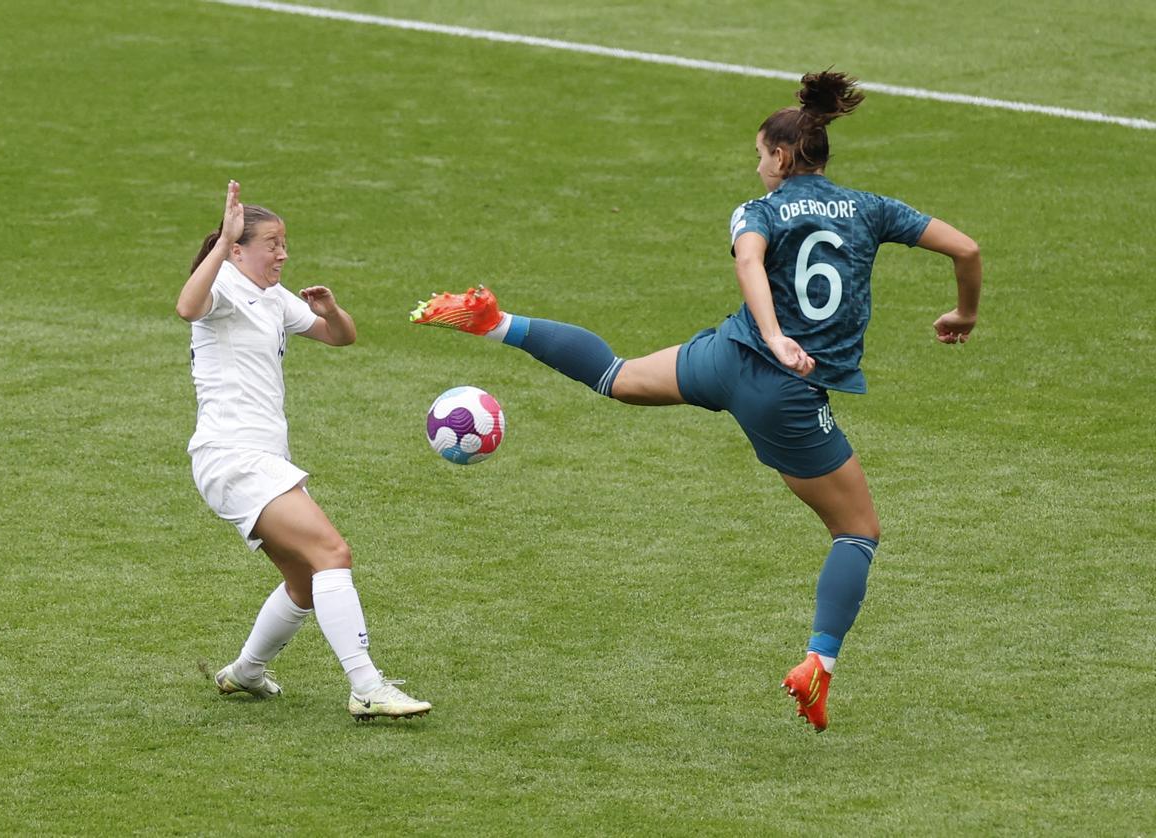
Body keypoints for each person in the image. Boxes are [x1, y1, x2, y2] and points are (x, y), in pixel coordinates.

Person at [409, 71, 980, 731]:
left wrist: (764, 331)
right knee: (857, 531)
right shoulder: (873, 208)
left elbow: (748, 262)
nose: (757, 163)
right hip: (785, 393)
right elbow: (966, 247)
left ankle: (497, 323)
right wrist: (963, 313)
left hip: (725, 357)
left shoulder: (757, 210)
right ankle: (818, 666)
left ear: (782, 158)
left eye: (760, 153)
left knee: (617, 375)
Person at [178, 180, 430, 720]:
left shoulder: (271, 296)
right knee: (332, 554)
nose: (284, 254)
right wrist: (221, 245)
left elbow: (342, 337)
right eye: (272, 244)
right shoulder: (222, 284)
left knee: (305, 581)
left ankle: (245, 671)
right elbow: (186, 306)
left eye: (285, 243)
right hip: (233, 456)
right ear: (238, 248)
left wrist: (332, 311)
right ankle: (366, 685)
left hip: (258, 458)